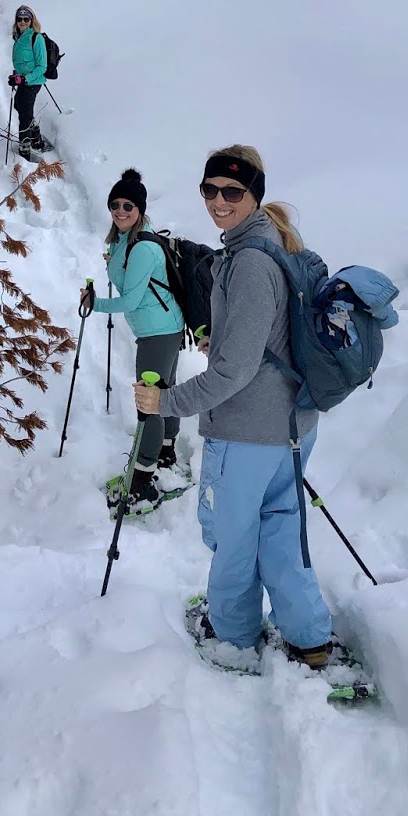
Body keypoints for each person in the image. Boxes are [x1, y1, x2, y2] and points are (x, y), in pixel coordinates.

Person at [134, 144, 333, 672]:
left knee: (233, 537)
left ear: (254, 195)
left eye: (232, 191)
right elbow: (266, 338)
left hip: (247, 432)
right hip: (293, 426)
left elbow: (234, 373)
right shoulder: (277, 244)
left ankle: (232, 634)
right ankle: (310, 639)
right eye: (210, 189)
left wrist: (166, 401)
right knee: (281, 530)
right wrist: (221, 342)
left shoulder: (248, 263)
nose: (218, 201)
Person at [84, 168, 186, 513]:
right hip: (163, 327)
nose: (120, 210)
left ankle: (142, 482)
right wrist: (114, 261)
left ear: (140, 209)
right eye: (115, 204)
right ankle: (166, 455)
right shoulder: (126, 240)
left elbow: (129, 300)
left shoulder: (141, 248)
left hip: (158, 332)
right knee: (165, 393)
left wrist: (94, 303)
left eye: (128, 205)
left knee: (149, 403)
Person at [8, 5, 51, 160]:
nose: (22, 22)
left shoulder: (36, 38)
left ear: (32, 21)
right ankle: (36, 137)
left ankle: (25, 151)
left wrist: (25, 78)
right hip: (23, 80)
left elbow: (42, 66)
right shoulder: (18, 37)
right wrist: (17, 77)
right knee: (19, 106)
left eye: (26, 19)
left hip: (33, 81)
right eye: (19, 19)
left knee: (25, 116)